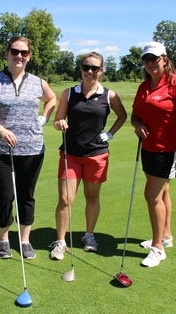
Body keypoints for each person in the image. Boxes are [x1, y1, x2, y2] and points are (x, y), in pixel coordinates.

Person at [0, 36, 56, 260]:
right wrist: (1, 130)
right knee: (3, 196)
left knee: (26, 196)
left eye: (24, 53)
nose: (19, 56)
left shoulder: (38, 82)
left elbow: (51, 99)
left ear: (29, 56)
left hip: (32, 148)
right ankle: (3, 238)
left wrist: (44, 117)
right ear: (7, 53)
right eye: (15, 51)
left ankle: (24, 240)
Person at [49, 52, 127, 260]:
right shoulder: (68, 93)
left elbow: (123, 116)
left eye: (94, 68)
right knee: (65, 199)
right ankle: (61, 241)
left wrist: (110, 133)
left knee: (92, 197)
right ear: (81, 69)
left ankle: (89, 236)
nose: (89, 71)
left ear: (101, 71)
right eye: (86, 67)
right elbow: (57, 119)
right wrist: (60, 123)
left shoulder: (109, 96)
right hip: (70, 154)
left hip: (96, 155)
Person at [131, 41, 176, 267]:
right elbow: (135, 116)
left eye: (154, 59)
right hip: (149, 148)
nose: (150, 63)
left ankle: (157, 248)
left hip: (168, 151)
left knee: (152, 196)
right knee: (163, 191)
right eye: (146, 60)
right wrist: (137, 125)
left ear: (165, 59)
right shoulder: (144, 86)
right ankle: (165, 236)